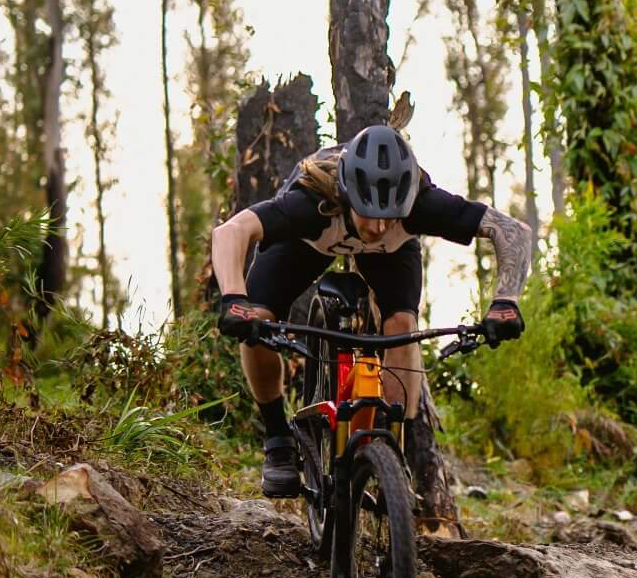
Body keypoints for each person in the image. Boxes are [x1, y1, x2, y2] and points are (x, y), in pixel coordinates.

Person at [208, 124, 533, 517]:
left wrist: (505, 301)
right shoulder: (309, 204)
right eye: (370, 214)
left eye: (390, 215)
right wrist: (234, 299)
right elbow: (232, 231)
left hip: (390, 256)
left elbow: (512, 231)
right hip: (308, 244)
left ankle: (392, 454)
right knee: (258, 323)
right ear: (347, 196)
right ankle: (278, 439)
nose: (378, 226)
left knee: (401, 328)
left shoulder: (422, 204)